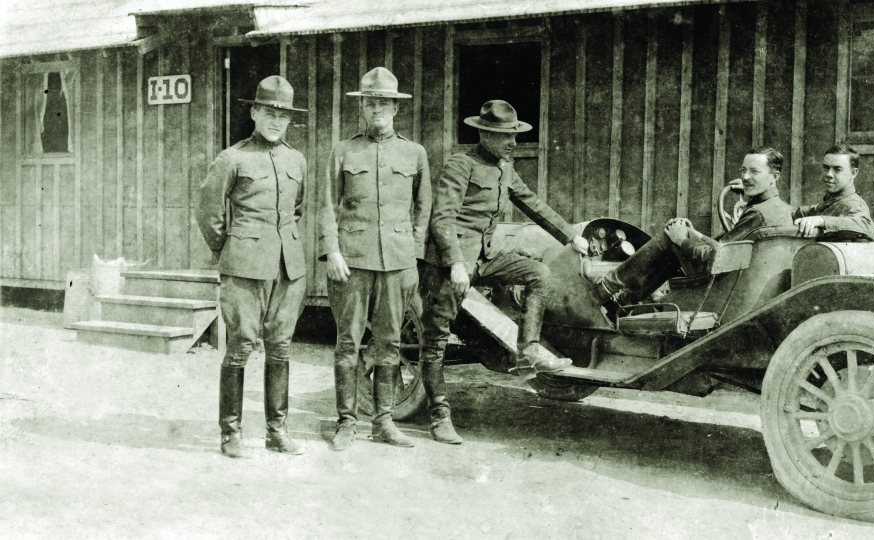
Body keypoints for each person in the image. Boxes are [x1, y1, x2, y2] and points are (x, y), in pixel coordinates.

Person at [420, 100, 589, 445]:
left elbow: (533, 204)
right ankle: (439, 417)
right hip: (449, 265)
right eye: (504, 136)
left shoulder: (504, 169)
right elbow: (442, 218)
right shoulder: (460, 164)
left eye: (515, 134)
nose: (513, 142)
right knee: (436, 342)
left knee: (539, 274)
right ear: (484, 134)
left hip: (484, 258)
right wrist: (454, 263)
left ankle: (528, 353)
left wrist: (571, 235)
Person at [317, 67, 431, 450]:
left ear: (396, 108)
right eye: (370, 102)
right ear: (362, 107)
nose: (377, 109)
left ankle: (383, 422)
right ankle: (346, 422)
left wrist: (414, 254)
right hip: (351, 261)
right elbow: (328, 206)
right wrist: (331, 250)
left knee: (391, 343)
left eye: (384, 103)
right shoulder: (343, 150)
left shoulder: (414, 153)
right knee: (348, 343)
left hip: (398, 263)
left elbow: (424, 207)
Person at [198, 76, 308, 459]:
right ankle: (231, 433)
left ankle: (277, 432)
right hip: (244, 267)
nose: (276, 120)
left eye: (283, 115)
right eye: (269, 112)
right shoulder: (233, 158)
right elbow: (209, 212)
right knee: (242, 346)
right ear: (254, 113)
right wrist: (229, 250)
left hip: (288, 268)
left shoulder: (297, 160)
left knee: (280, 348)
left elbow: (296, 211)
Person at [593, 147, 795, 304]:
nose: (745, 177)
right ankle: (625, 300)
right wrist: (694, 233)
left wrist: (681, 239)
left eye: (754, 172)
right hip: (737, 279)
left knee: (668, 236)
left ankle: (607, 287)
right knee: (677, 235)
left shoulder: (756, 213)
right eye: (744, 170)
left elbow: (717, 257)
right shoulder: (781, 209)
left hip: (720, 281)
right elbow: (726, 248)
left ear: (774, 177)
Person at [793, 143, 874, 239]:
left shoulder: (854, 204)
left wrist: (821, 220)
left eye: (837, 169)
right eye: (826, 168)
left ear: (853, 173)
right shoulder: (831, 202)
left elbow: (866, 225)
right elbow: (799, 212)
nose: (829, 174)